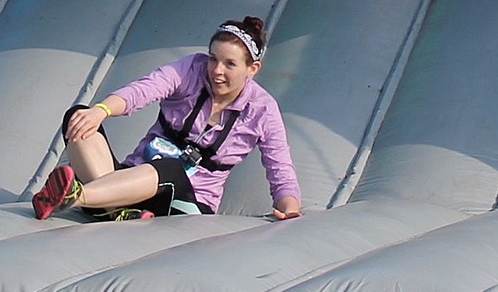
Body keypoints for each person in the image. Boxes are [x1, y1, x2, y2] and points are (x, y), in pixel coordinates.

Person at [34, 16, 302, 222]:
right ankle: (116, 211)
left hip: (184, 203)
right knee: (78, 118)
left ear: (252, 69)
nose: (216, 71)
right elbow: (143, 90)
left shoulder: (263, 110)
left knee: (172, 168)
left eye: (230, 64)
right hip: (133, 183)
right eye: (213, 59)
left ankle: (79, 197)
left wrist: (289, 210)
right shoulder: (190, 70)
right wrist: (100, 110)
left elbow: (281, 171)